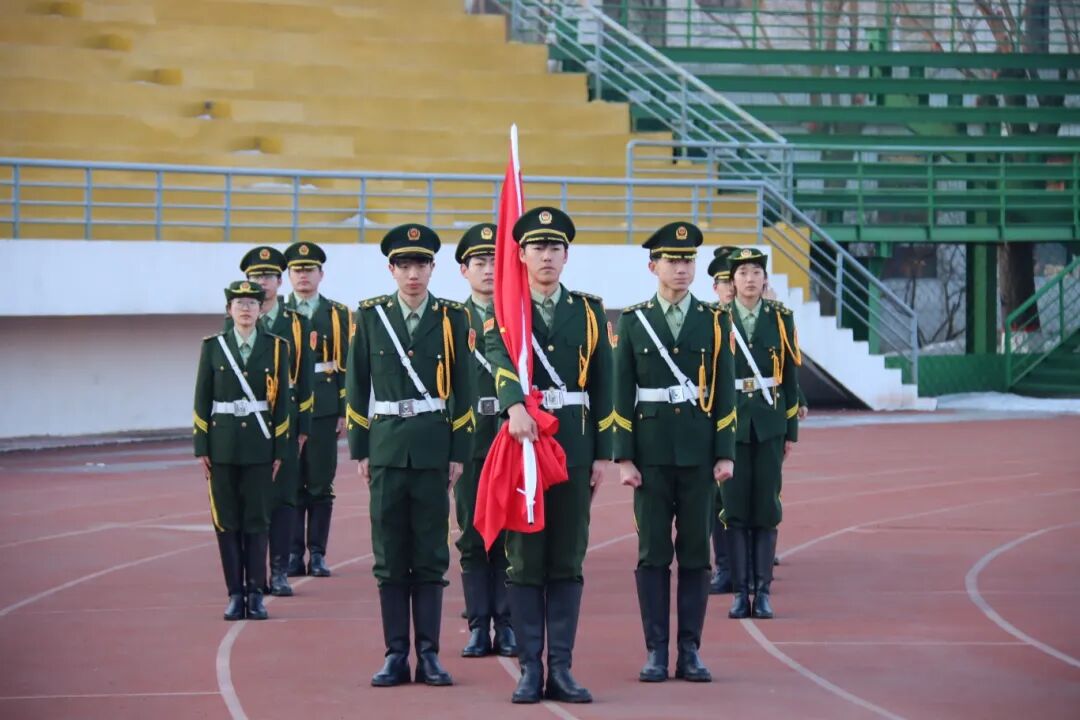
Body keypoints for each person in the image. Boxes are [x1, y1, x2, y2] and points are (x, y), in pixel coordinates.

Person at [484, 206, 615, 704]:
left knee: (567, 557)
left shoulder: (588, 311)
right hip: (526, 444)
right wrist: (513, 404)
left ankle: (561, 668)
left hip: (574, 446)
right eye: (537, 247)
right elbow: (497, 358)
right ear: (520, 255)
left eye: (555, 247)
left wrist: (603, 452)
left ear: (566, 256)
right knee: (524, 559)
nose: (546, 255)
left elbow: (604, 383)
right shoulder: (507, 310)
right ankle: (528, 669)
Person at [345, 223, 473, 687]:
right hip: (385, 449)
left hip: (434, 447)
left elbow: (464, 386)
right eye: (404, 265)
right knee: (390, 554)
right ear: (391, 269)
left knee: (431, 552)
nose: (413, 273)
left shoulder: (452, 317)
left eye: (420, 264)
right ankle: (396, 654)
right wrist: (361, 449)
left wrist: (459, 451)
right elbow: (356, 384)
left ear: (433, 267)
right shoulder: (371, 316)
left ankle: (430, 655)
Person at [613, 223, 736, 683]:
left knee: (696, 554)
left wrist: (725, 452)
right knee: (653, 553)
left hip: (699, 455)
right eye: (672, 260)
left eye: (687, 260)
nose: (681, 268)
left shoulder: (715, 320)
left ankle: (689, 650)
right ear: (653, 266)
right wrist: (623, 457)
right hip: (650, 456)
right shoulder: (634, 320)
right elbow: (621, 391)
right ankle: (655, 651)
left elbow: (725, 391)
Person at [194, 280, 290, 621]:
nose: (246, 309)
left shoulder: (276, 347)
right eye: (239, 303)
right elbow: (202, 398)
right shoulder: (213, 347)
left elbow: (283, 403)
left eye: (252, 303)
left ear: (261, 309)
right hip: (222, 446)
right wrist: (202, 446)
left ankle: (255, 593)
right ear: (229, 310)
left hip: (260, 445)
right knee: (227, 521)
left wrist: (280, 448)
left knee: (257, 521)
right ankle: (235, 594)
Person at [722, 247, 802, 620]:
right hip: (732, 425)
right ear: (732, 281)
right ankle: (741, 593)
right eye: (742, 273)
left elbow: (790, 376)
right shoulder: (718, 318)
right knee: (735, 510)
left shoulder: (780, 318)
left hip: (769, 424)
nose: (750, 279)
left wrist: (790, 431)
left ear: (764, 278)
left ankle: (763, 591)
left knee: (767, 509)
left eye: (756, 272)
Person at [230, 246, 314, 597]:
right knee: (249, 502)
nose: (261, 283)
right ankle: (253, 575)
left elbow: (305, 379)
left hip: (284, 421)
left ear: (280, 281)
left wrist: (303, 427)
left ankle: (279, 570)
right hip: (247, 425)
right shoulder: (233, 322)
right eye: (255, 277)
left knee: (283, 499)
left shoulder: (296, 323)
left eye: (267, 276)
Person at [453, 223, 517, 658]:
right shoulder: (451, 320)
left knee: (511, 534)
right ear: (464, 270)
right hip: (471, 440)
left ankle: (507, 624)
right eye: (480, 262)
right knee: (474, 535)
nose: (489, 269)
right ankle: (478, 625)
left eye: (496, 260)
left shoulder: (518, 316)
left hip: (511, 437)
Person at [283, 241, 350, 578]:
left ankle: (319, 553)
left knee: (321, 482)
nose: (303, 276)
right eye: (297, 270)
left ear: (321, 274)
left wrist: (343, 409)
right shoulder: (278, 312)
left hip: (323, 406)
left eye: (309, 270)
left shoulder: (336, 314)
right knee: (292, 482)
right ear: (289, 275)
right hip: (290, 407)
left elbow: (346, 364)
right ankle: (294, 553)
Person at [707, 246, 736, 595]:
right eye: (724, 281)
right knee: (718, 499)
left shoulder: (765, 316)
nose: (731, 286)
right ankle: (725, 566)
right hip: (718, 417)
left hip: (753, 416)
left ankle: (753, 565)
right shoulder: (710, 319)